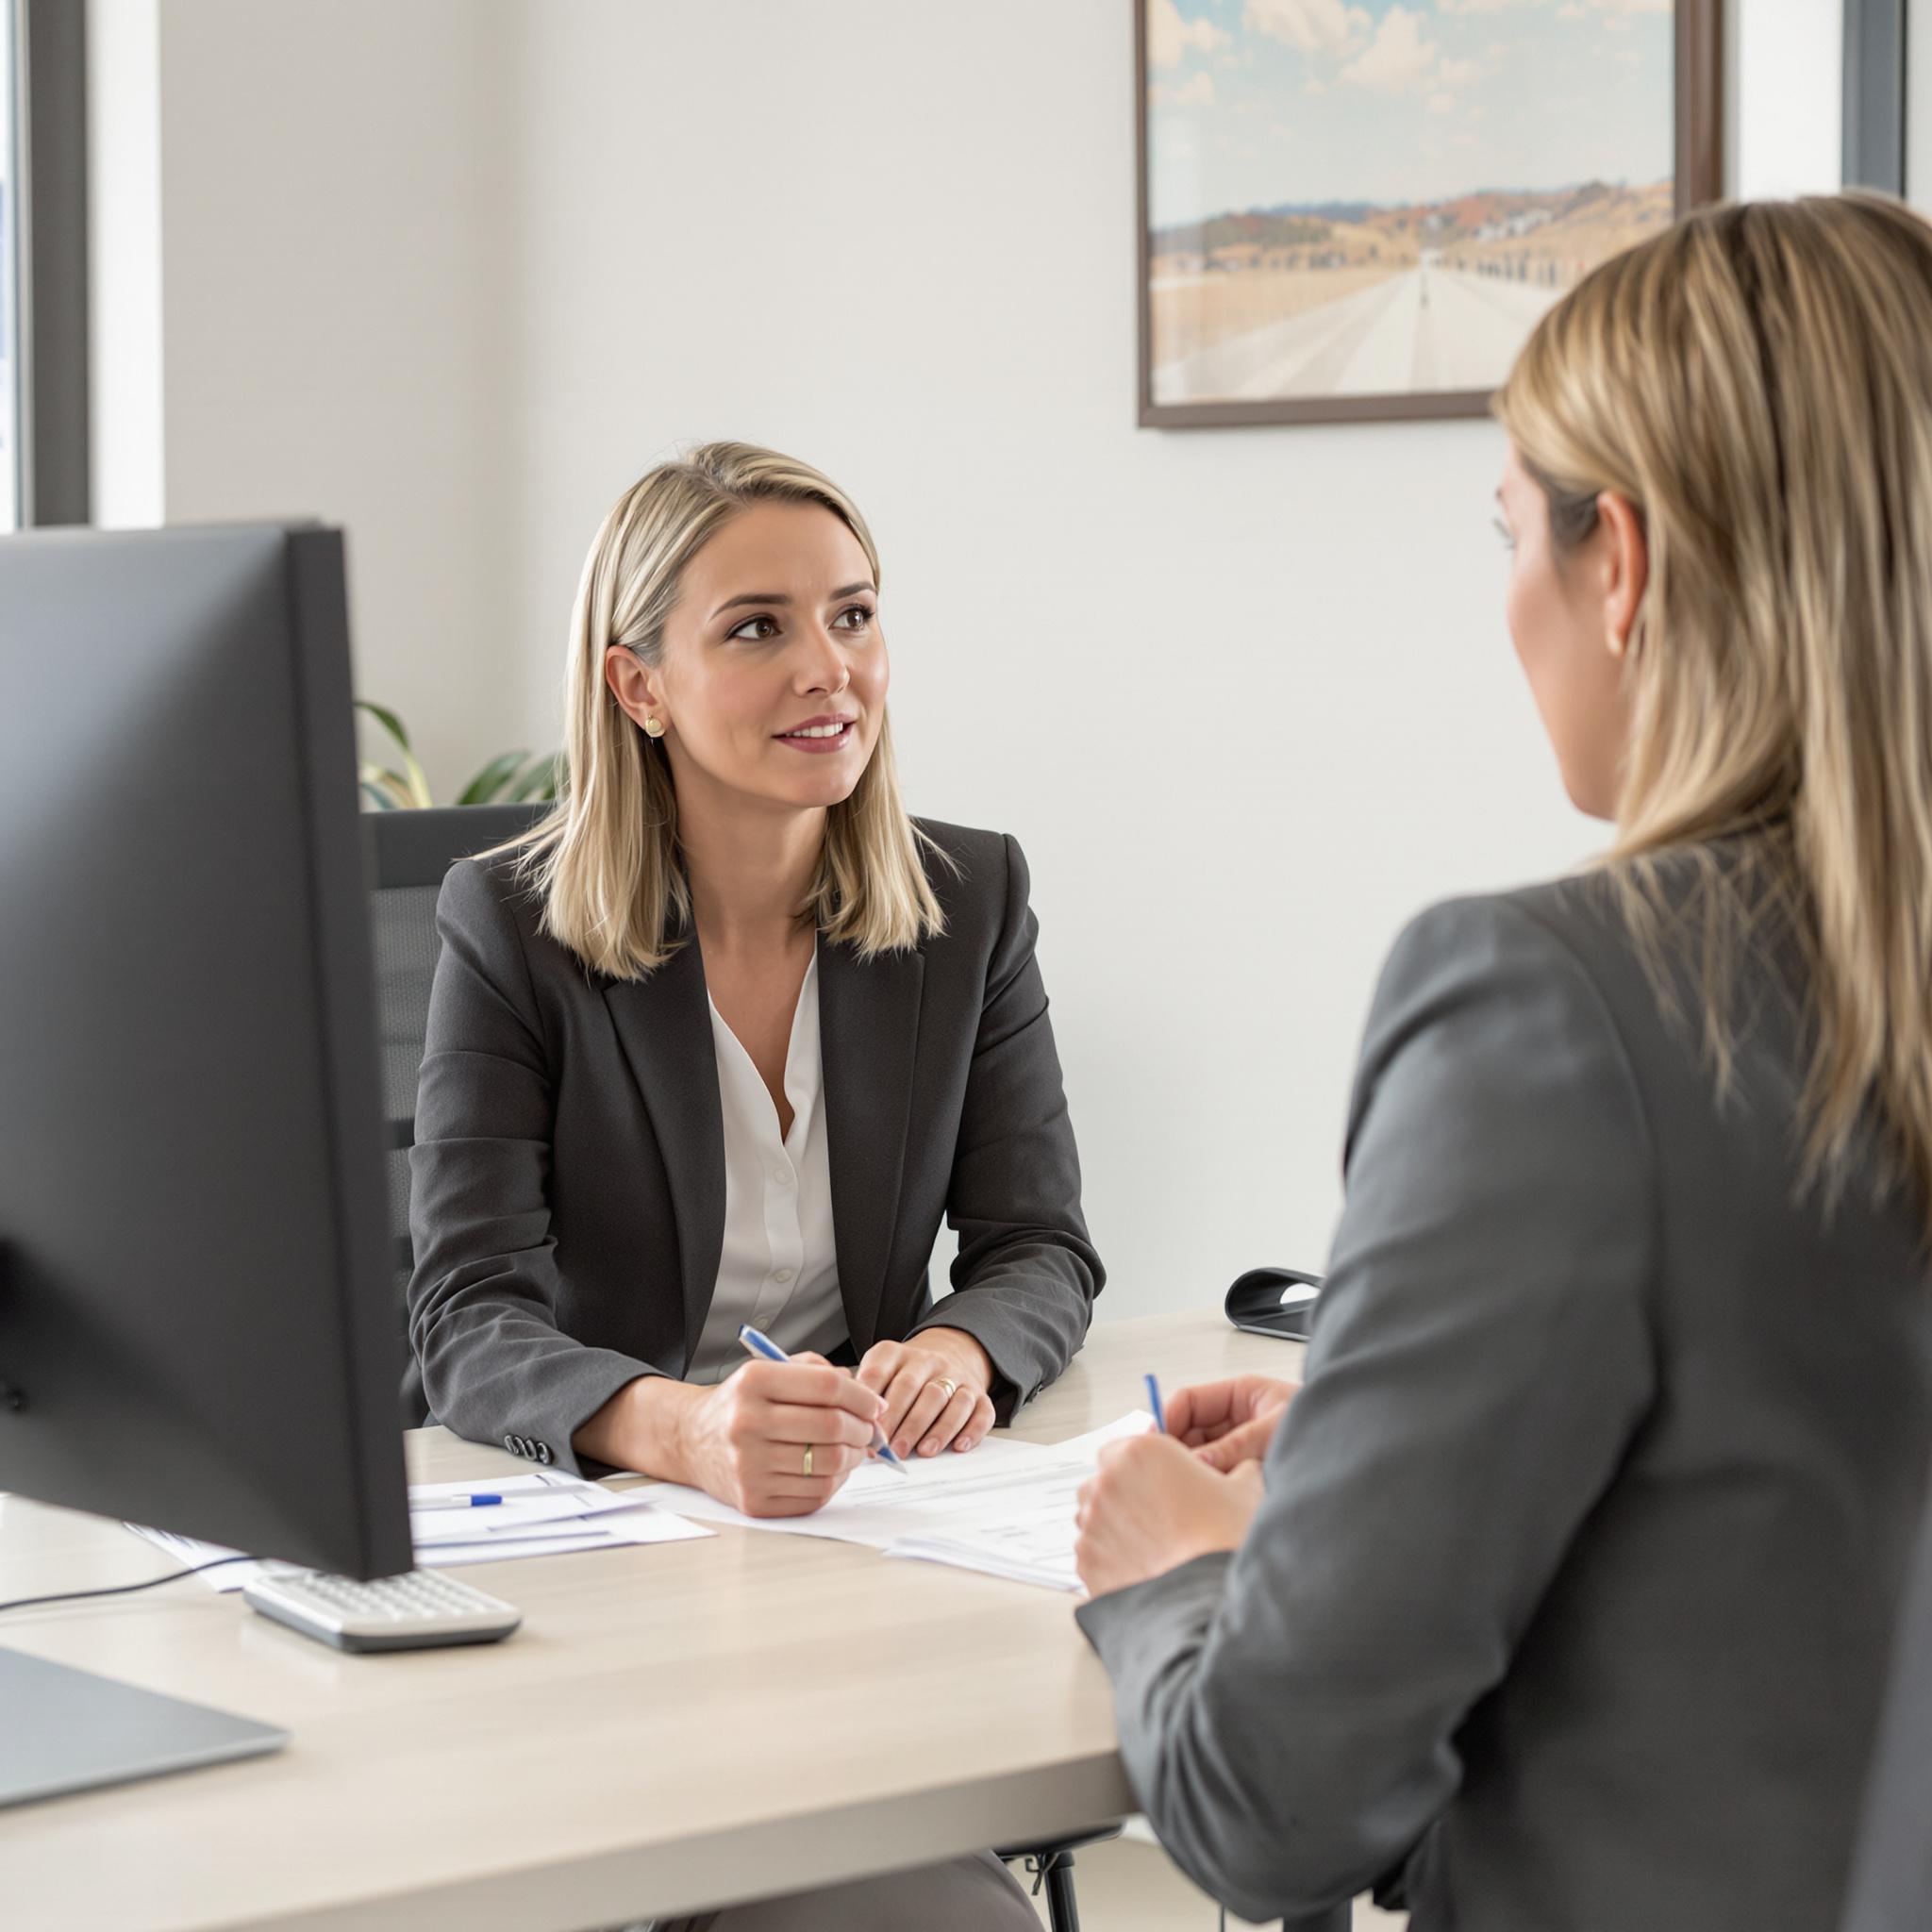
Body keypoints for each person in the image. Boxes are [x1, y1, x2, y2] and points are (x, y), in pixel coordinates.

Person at [1073, 194, 1932, 1932]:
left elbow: (1272, 1802)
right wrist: (1398, 1444)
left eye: (1509, 538)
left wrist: (1178, 1574)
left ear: (1620, 563)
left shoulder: (1551, 1007)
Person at [408, 442, 1101, 1926]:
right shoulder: (510, 927)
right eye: (757, 628)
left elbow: (1039, 1242)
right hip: (604, 1570)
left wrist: (960, 1348)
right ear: (637, 684)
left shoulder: (968, 900)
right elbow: (464, 1314)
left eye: (853, 615)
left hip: (858, 1555)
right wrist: (679, 1428)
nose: (828, 670)